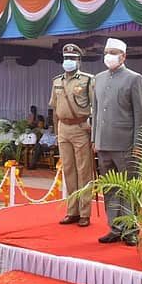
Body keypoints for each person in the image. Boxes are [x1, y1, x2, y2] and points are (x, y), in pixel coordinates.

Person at [92, 38, 142, 245]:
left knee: (128, 189)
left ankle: (131, 229)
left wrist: (138, 144)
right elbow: (95, 111)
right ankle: (115, 227)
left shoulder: (134, 78)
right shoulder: (99, 77)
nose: (109, 56)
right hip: (103, 144)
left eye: (114, 52)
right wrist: (94, 139)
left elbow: (140, 114)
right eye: (107, 52)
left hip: (126, 145)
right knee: (110, 188)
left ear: (123, 56)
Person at [49, 43, 95, 228]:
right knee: (68, 169)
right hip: (63, 128)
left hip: (80, 127)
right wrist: (55, 130)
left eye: (73, 59)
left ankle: (85, 213)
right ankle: (72, 210)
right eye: (66, 58)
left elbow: (95, 108)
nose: (69, 62)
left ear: (79, 61)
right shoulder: (57, 81)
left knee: (84, 171)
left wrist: (92, 131)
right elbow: (54, 108)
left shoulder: (87, 80)